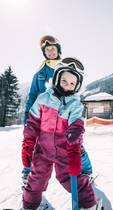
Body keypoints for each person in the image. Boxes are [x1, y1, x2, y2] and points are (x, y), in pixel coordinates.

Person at [21, 58, 99, 210]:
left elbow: (76, 129)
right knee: (36, 179)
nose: (67, 86)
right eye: (64, 81)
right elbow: (32, 123)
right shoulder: (43, 98)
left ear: (77, 86)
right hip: (43, 150)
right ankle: (29, 206)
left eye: (72, 83)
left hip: (65, 152)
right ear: (56, 78)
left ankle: (90, 205)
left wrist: (74, 151)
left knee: (72, 180)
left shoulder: (75, 105)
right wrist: (28, 143)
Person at [22, 36, 92, 183]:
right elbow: (33, 95)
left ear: (58, 50)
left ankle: (85, 171)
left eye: (53, 48)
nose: (50, 52)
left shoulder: (66, 66)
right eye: (47, 50)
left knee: (74, 143)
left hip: (65, 115)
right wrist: (28, 116)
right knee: (34, 146)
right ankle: (27, 173)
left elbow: (74, 91)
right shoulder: (40, 73)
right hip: (43, 117)